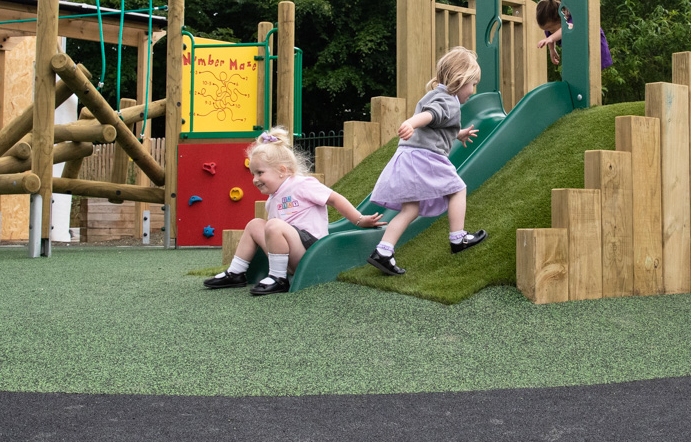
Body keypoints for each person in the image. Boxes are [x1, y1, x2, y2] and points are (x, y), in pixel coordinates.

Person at [204, 126, 386, 295]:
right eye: (253, 174)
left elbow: (334, 199)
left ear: (282, 170)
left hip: (309, 252)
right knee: (254, 225)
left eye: (260, 173)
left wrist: (359, 220)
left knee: (274, 225)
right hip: (286, 255)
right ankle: (236, 273)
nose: (255, 179)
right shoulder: (273, 199)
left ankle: (278, 278)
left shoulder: (301, 184)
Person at [366, 46, 487, 275]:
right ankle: (458, 238)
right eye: (472, 83)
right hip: (426, 158)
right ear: (460, 80)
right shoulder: (448, 100)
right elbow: (431, 115)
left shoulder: (433, 94)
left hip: (408, 156)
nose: (473, 90)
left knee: (410, 209)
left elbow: (436, 123)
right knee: (458, 189)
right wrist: (411, 123)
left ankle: (383, 251)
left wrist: (457, 134)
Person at [535, 0, 613, 70]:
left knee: (592, 70)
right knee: (578, 70)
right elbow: (549, 35)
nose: (550, 32)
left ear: (562, 18)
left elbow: (568, 27)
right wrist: (552, 49)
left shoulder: (573, 19)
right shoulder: (552, 26)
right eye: (547, 30)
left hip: (593, 46)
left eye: (551, 29)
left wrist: (551, 38)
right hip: (578, 49)